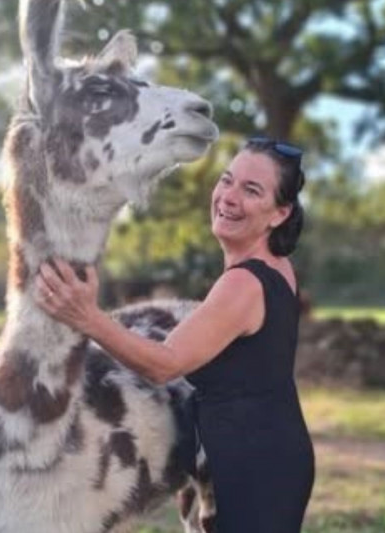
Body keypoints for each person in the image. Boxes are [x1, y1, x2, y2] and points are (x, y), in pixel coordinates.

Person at [36, 136, 314, 533]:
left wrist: (87, 317)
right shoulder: (277, 265)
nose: (228, 197)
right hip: (274, 453)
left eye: (251, 191)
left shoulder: (244, 284)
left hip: (254, 470)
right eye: (227, 180)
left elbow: (165, 364)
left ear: (279, 213)